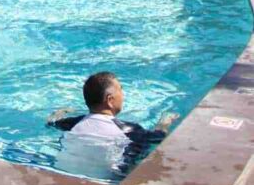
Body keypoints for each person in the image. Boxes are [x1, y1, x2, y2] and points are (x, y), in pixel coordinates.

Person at [47, 72, 177, 173]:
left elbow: (51, 122)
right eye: (121, 90)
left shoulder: (72, 123)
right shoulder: (130, 131)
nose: (123, 95)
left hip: (62, 171)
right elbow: (158, 138)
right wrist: (165, 121)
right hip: (109, 181)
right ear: (110, 100)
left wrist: (62, 110)